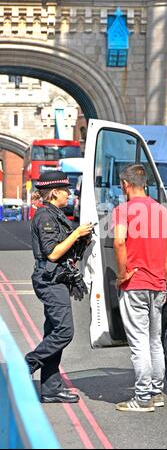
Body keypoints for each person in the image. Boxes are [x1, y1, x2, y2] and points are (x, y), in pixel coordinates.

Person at [25, 170, 93, 404]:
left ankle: (51, 389)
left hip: (57, 279)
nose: (69, 193)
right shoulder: (45, 216)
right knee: (64, 332)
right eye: (65, 190)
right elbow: (53, 253)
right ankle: (27, 364)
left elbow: (65, 249)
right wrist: (75, 233)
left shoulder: (55, 214)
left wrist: (81, 238)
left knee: (53, 332)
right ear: (54, 192)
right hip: (50, 280)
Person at [112, 164, 167, 412]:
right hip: (158, 283)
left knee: (138, 342)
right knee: (154, 341)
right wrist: (163, 279)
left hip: (134, 283)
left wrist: (122, 274)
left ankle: (141, 398)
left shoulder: (123, 211)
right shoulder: (162, 211)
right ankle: (157, 393)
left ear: (126, 185)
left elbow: (119, 242)